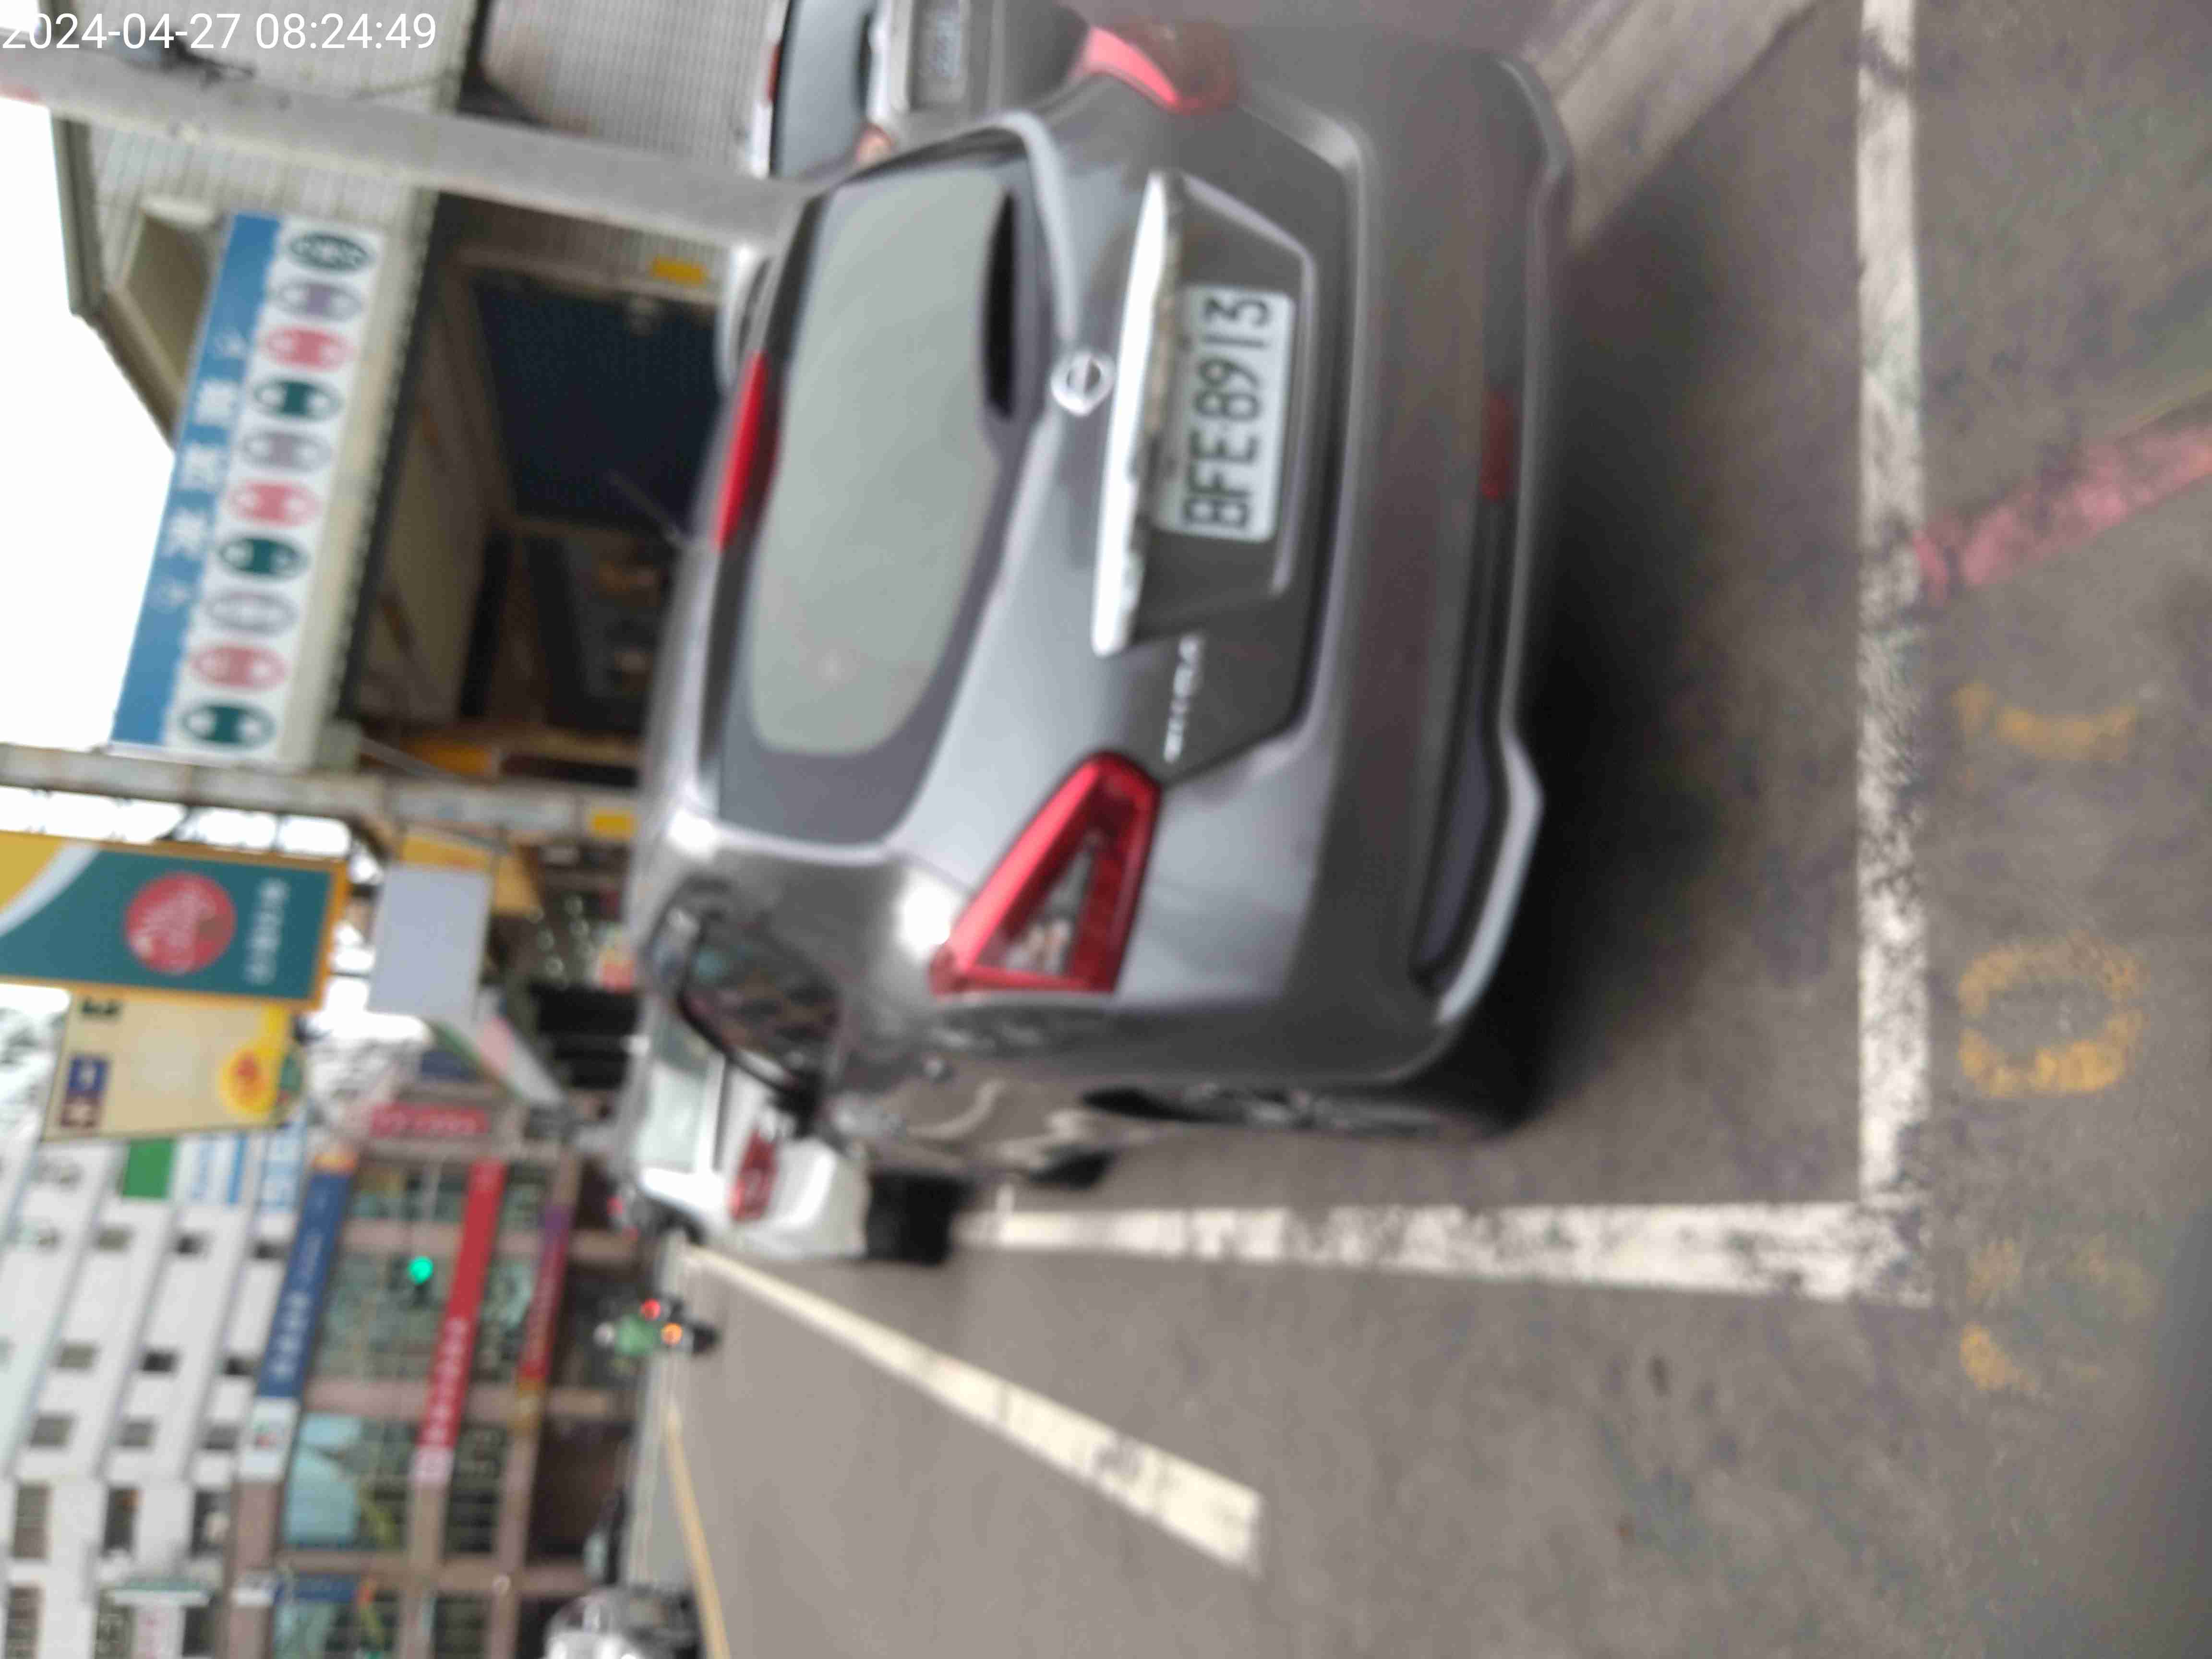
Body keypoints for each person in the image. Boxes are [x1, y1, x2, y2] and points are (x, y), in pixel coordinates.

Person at [593, 1295, 717, 1359]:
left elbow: (641, 1352)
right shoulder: (626, 1323)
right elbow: (641, 1315)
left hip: (658, 1343)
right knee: (675, 1317)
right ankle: (698, 1337)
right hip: (660, 1329)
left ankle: (697, 1344)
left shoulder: (623, 1348)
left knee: (676, 1341)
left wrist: (654, 1349)